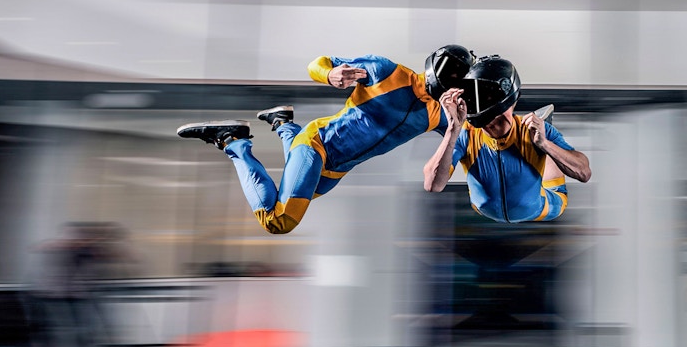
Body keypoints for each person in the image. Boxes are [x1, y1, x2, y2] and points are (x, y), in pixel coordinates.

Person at [177, 45, 476, 234]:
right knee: (278, 221)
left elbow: (467, 144)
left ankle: (282, 122)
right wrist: (330, 73)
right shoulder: (387, 71)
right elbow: (318, 62)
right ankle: (232, 140)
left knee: (291, 191)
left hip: (335, 171)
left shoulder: (441, 115)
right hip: (317, 143)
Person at [423, 55, 591, 223]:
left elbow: (584, 173)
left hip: (542, 206)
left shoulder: (530, 130)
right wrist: (452, 130)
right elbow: (432, 185)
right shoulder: (465, 134)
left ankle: (544, 151)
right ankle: (542, 152)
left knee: (543, 145)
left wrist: (545, 144)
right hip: (484, 208)